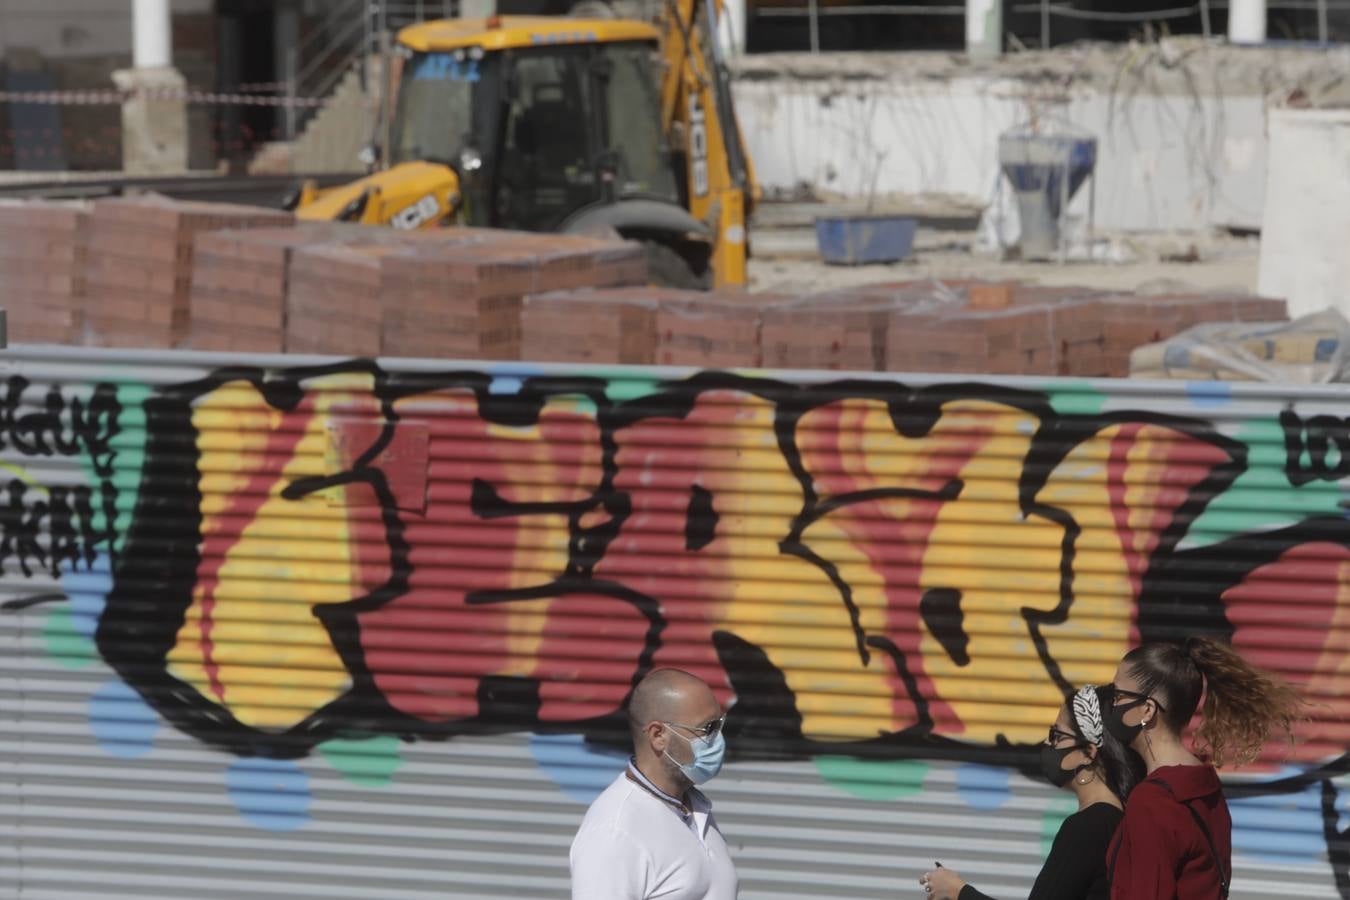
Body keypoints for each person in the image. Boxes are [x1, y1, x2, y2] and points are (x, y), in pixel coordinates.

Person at [1104, 637, 1304, 899]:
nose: (1110, 704)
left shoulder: (1152, 801)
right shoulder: (1204, 786)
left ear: (1146, 710)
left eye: (1117, 695)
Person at [920, 684, 1143, 900]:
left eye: (1057, 735)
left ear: (1088, 753)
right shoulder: (1119, 819)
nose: (1048, 743)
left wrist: (956, 891)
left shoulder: (1088, 827)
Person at [570, 668, 738, 900]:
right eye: (706, 729)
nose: (717, 739)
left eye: (718, 725)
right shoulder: (615, 832)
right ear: (658, 735)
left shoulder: (695, 808)